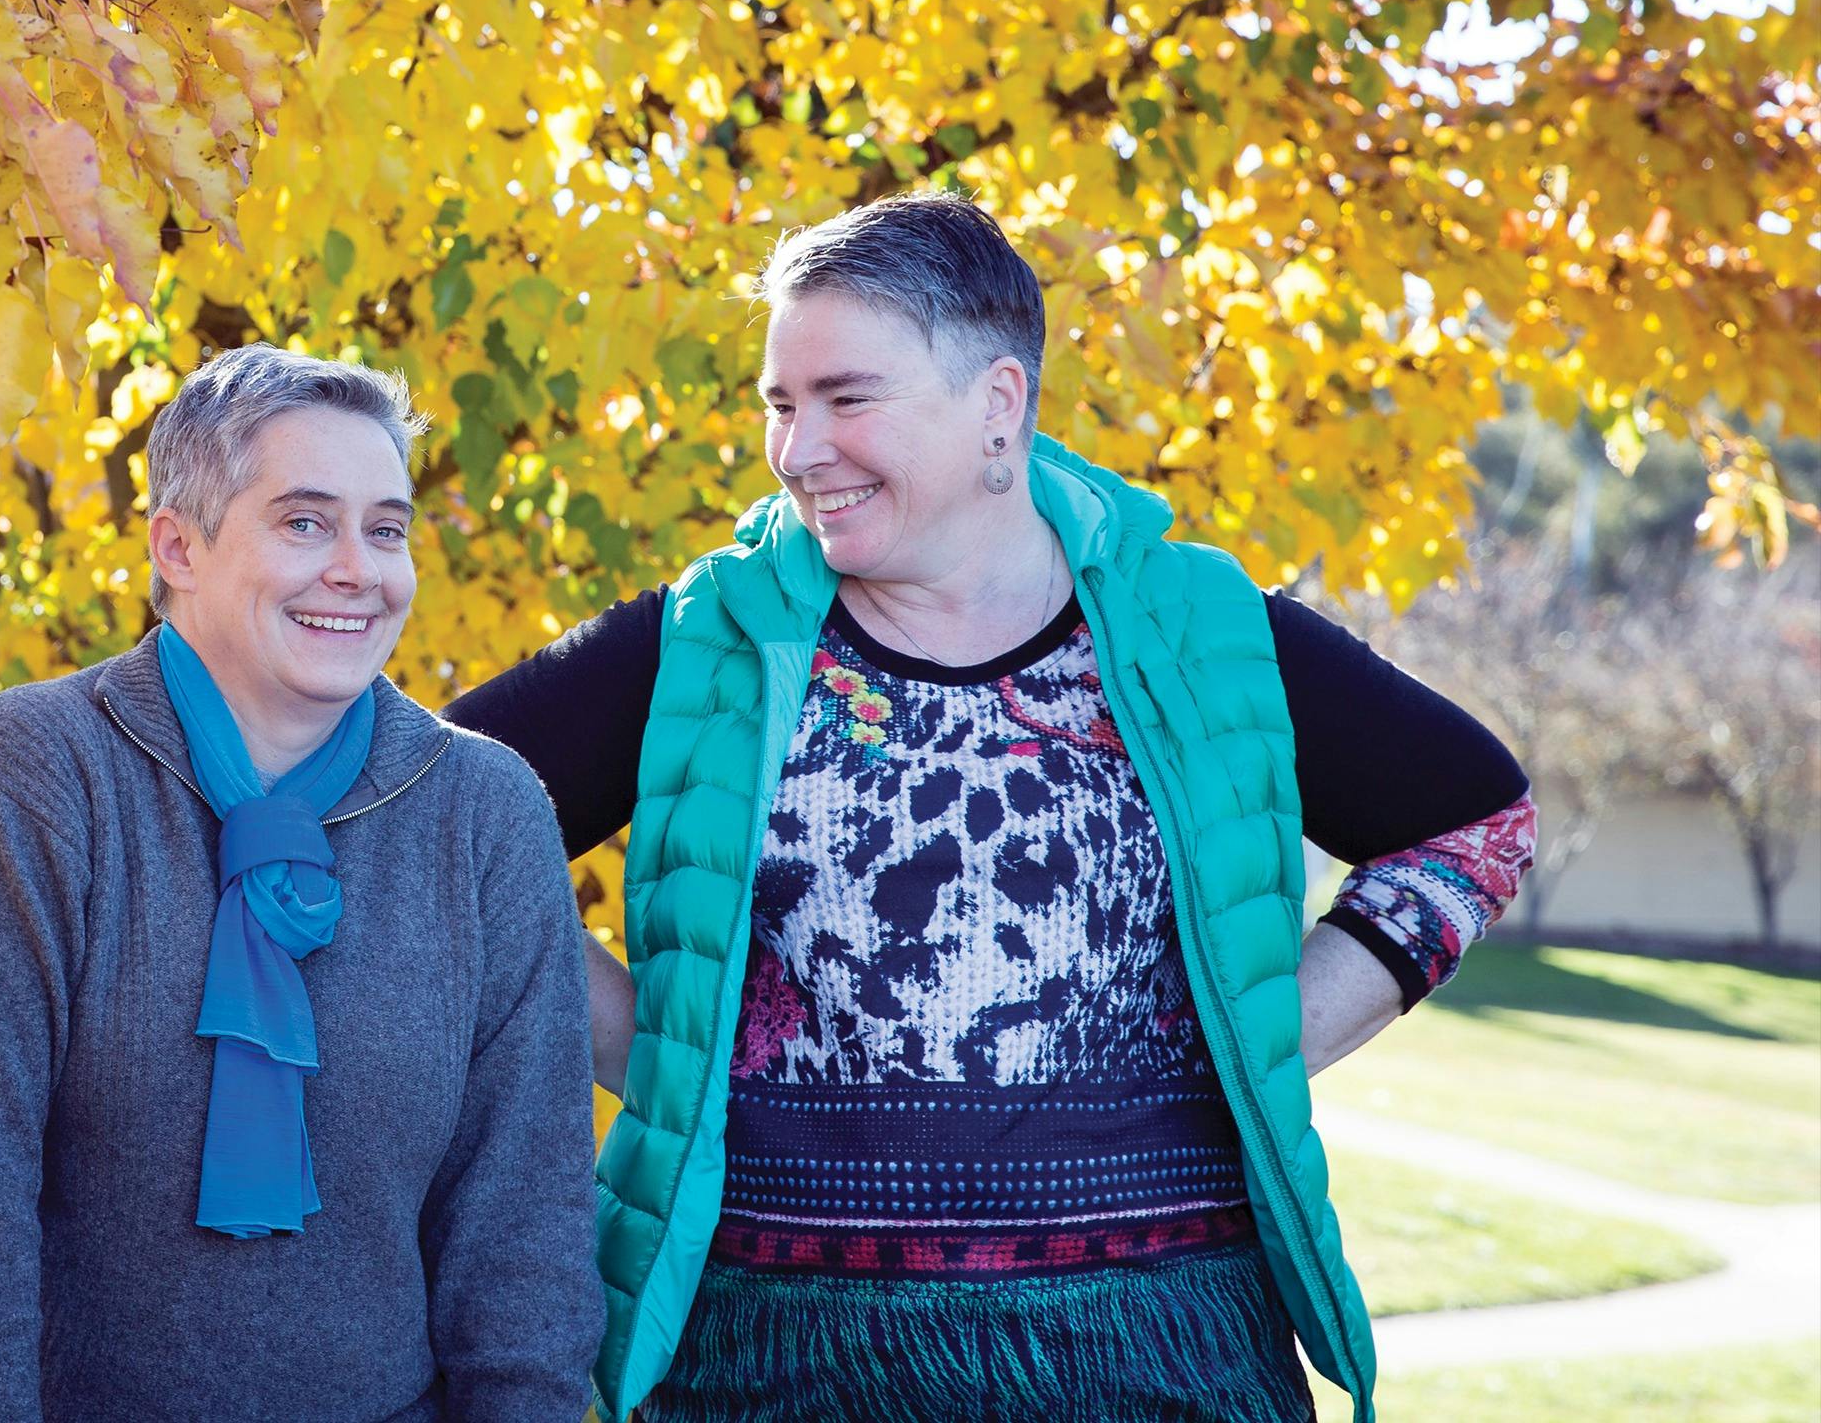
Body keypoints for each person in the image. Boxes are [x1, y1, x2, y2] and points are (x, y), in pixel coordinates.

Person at [446, 194, 1536, 1423]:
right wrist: (656, 1052)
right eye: (780, 404)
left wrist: (1269, 1042)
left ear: (999, 404)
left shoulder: (1204, 633)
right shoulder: (708, 642)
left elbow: (1477, 824)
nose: (799, 450)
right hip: (770, 1364)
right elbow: (424, 826)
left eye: (847, 398)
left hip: (1162, 1360)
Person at [0, 345, 602, 1422]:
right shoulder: (35, 771)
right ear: (178, 546)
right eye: (305, 522)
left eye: (386, 530)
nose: (358, 569)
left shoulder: (485, 812)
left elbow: (524, 1233)